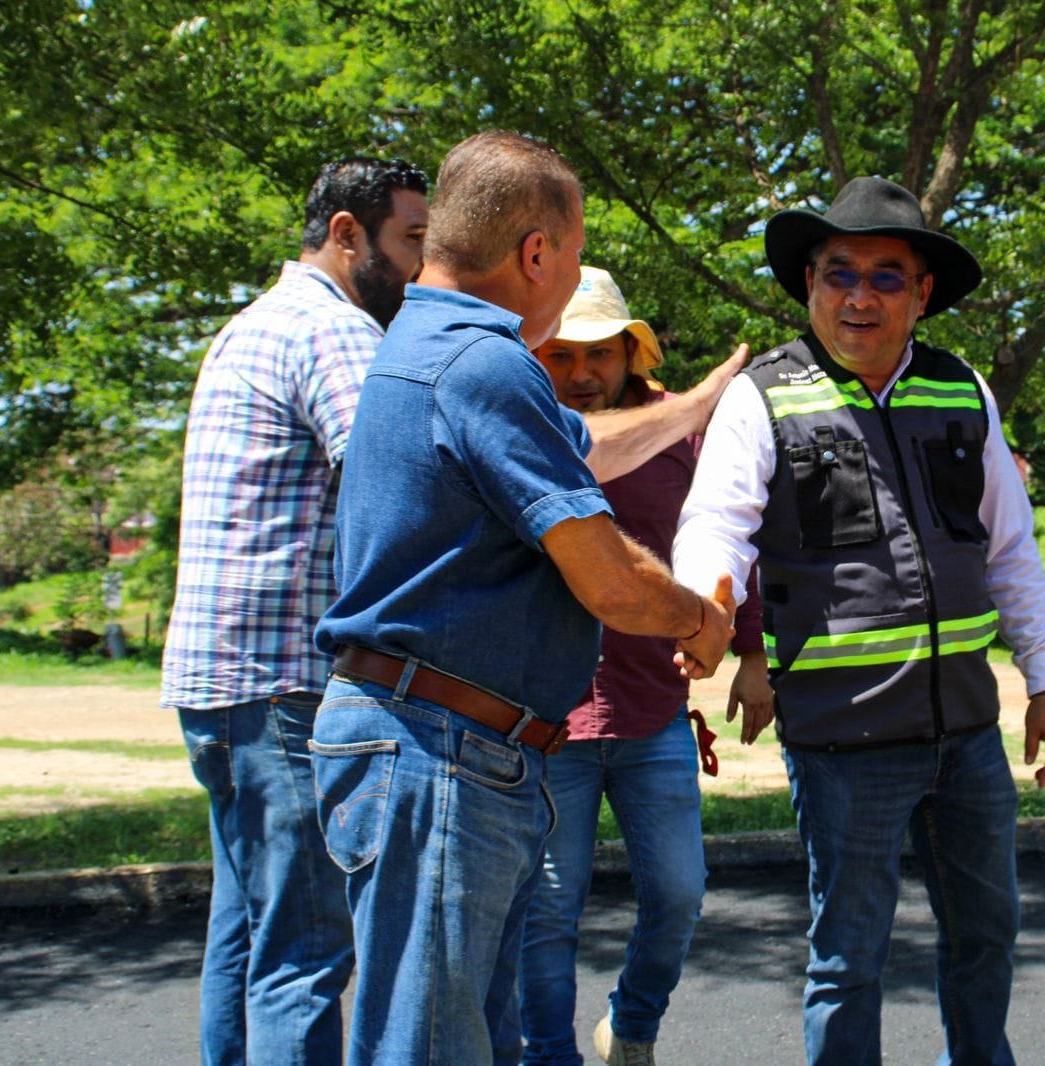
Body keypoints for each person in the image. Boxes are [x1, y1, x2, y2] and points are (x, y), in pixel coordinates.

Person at [310, 131, 742, 1065]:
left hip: (447, 745)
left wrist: (702, 401)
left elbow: (590, 453)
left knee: (470, 1036)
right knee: (428, 1045)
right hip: (440, 752)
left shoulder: (434, 345)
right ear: (538, 252)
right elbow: (606, 575)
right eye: (576, 252)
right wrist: (702, 621)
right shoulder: (486, 363)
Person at [671, 176, 1045, 1065]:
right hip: (843, 742)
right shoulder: (761, 397)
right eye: (837, 273)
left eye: (887, 276)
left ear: (922, 293)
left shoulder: (963, 391)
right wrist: (708, 598)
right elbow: (716, 523)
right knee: (848, 958)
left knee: (987, 938)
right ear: (808, 284)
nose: (859, 296)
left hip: (967, 735)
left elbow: (1011, 550)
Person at [160, 156, 429, 1065]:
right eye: (412, 240)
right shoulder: (333, 329)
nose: (425, 266)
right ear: (348, 233)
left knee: (247, 939)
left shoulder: (250, 325)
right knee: (307, 954)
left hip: (217, 682)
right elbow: (397, 482)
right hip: (285, 686)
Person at [519, 267, 772, 1066]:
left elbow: (737, 538)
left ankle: (631, 1027)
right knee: (548, 908)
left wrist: (755, 655)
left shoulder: (683, 430)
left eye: (601, 354)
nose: (584, 375)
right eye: (562, 356)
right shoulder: (518, 428)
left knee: (677, 893)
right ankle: (546, 1054)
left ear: (633, 351)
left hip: (653, 707)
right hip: (544, 719)